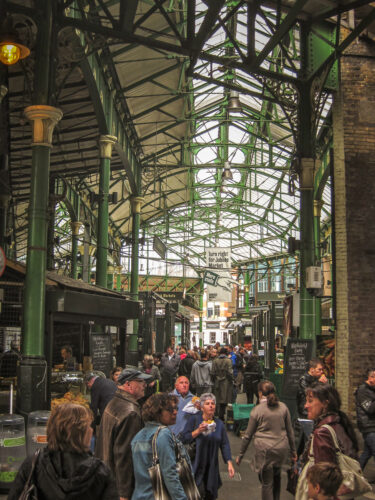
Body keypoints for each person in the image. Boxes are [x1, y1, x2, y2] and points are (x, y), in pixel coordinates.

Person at [8, 403, 118, 500]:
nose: (91, 430)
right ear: (80, 433)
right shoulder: (100, 472)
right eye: (88, 426)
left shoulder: (33, 464)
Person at [96, 368, 152, 500]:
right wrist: (124, 494)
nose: (145, 385)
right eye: (141, 381)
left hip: (106, 478)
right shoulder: (130, 412)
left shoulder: (115, 402)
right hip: (117, 485)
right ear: (128, 384)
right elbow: (124, 456)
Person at [236, 380, 297, 500]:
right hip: (281, 450)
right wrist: (293, 452)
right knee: (277, 478)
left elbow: (248, 435)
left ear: (260, 393)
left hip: (265, 452)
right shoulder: (283, 407)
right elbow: (290, 432)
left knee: (267, 483)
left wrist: (241, 454)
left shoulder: (257, 410)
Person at [131, 393, 190, 500]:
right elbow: (170, 474)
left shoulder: (137, 437)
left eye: (176, 408)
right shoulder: (163, 434)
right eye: (170, 409)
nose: (175, 412)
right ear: (157, 411)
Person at [181, 392, 235, 499]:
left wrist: (229, 463)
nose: (211, 406)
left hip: (211, 467)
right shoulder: (194, 420)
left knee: (210, 494)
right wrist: (198, 431)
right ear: (201, 407)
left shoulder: (219, 424)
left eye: (213, 403)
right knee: (197, 494)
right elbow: (184, 438)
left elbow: (224, 444)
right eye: (207, 403)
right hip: (195, 465)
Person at [302, 383, 358, 466]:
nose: (305, 406)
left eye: (310, 401)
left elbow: (324, 473)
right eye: (306, 401)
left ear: (325, 404)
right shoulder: (338, 422)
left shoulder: (322, 433)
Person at [355, 368, 375, 470]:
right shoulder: (362, 390)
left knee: (367, 452)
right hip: (368, 426)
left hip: (372, 426)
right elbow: (370, 409)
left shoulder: (372, 390)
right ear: (371, 377)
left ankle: (356, 474)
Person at [211, 347, 233, 420]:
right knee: (225, 399)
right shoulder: (228, 361)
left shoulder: (215, 361)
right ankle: (222, 415)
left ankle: (217, 414)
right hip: (226, 382)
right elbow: (230, 372)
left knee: (217, 398)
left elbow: (212, 372)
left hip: (217, 382)